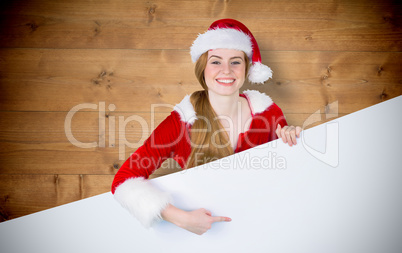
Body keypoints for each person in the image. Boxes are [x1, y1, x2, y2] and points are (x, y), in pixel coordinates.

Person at [112, 19, 302, 235]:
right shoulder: (180, 123)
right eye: (216, 62)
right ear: (203, 68)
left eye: (235, 62)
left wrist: (290, 141)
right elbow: (123, 181)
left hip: (263, 227)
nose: (226, 71)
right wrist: (181, 218)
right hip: (210, 238)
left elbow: (285, 178)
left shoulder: (269, 113)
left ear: (247, 68)